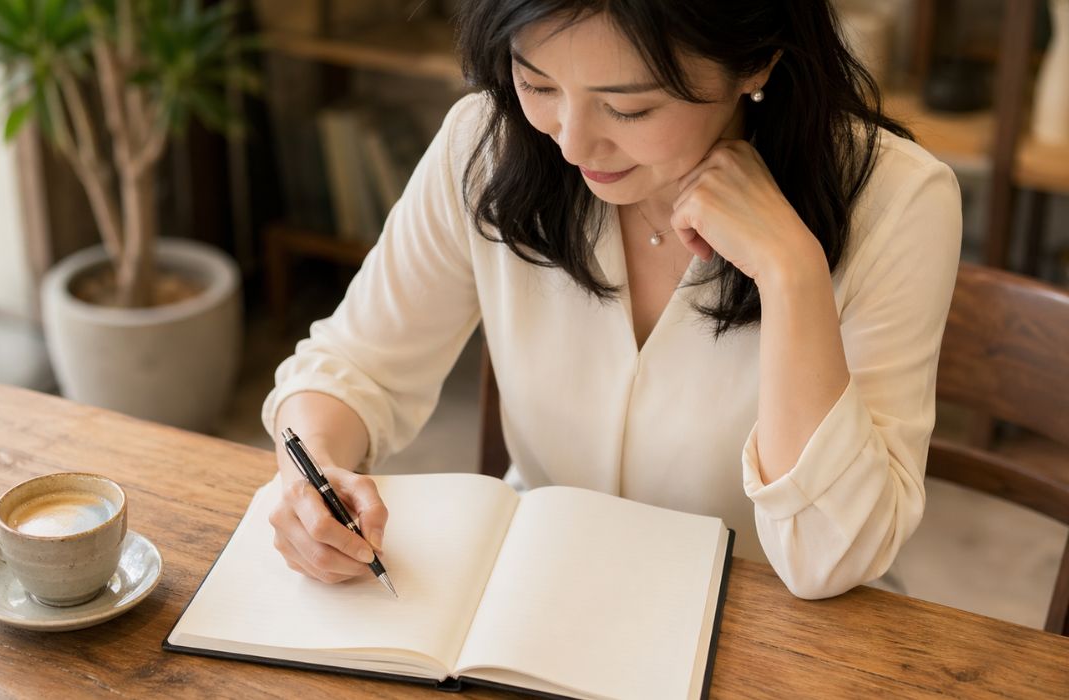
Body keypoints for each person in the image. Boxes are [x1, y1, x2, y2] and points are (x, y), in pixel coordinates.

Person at [264, 0, 961, 599]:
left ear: (757, 62)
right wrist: (315, 471)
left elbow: (833, 560)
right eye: (537, 83)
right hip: (543, 593)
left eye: (629, 106)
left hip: (772, 623)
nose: (571, 140)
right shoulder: (488, 142)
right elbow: (356, 363)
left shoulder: (897, 203)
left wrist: (791, 273)